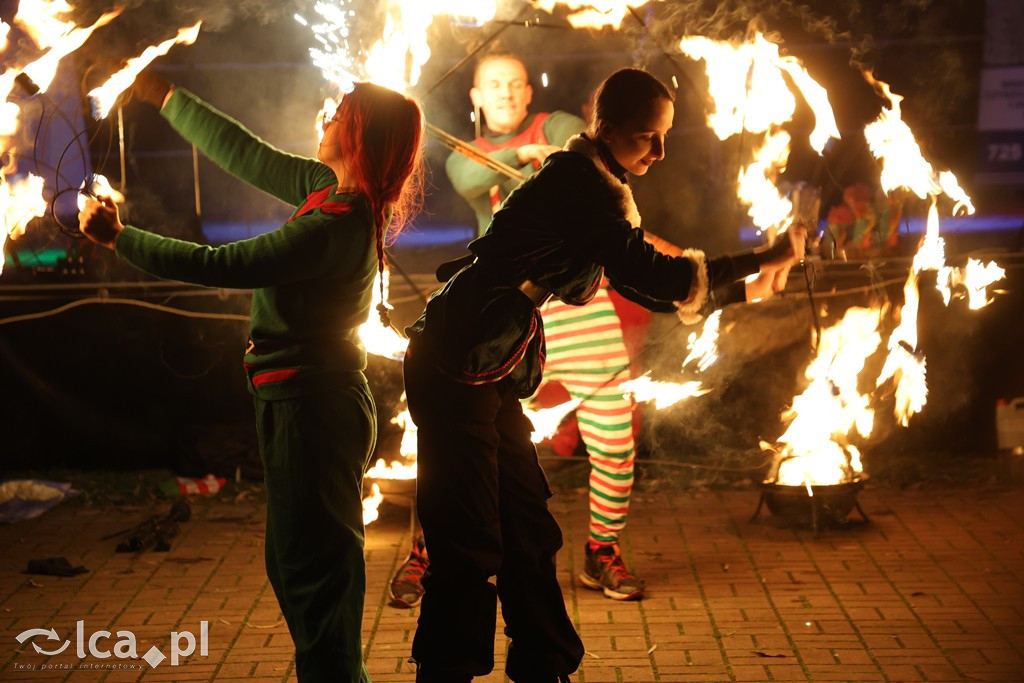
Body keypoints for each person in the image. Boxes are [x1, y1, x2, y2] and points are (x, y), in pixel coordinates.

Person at [402, 67, 804, 682]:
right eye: (648, 137)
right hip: (456, 364)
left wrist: (749, 290)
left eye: (665, 136)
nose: (659, 151)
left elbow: (649, 283)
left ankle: (545, 667)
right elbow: (655, 274)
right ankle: (447, 673)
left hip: (490, 371)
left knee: (529, 532)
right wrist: (760, 257)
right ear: (608, 129)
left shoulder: (599, 183)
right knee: (470, 546)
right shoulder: (579, 185)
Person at [78, 71, 424, 682]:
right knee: (299, 564)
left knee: (313, 574)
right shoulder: (327, 188)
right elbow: (245, 153)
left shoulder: (335, 223)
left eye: (340, 112)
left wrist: (121, 239)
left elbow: (227, 264)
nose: (327, 117)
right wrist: (163, 95)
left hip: (313, 407)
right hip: (302, 401)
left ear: (362, 136)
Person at [388, 50, 663, 611]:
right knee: (460, 441)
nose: (508, 93)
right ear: (476, 97)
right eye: (494, 85)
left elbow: (581, 139)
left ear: (528, 91)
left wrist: (555, 152)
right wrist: (524, 155)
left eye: (516, 82)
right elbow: (470, 174)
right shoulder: (470, 154)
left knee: (612, 433)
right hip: (505, 316)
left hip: (581, 306)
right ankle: (430, 550)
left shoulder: (559, 128)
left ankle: (602, 550)